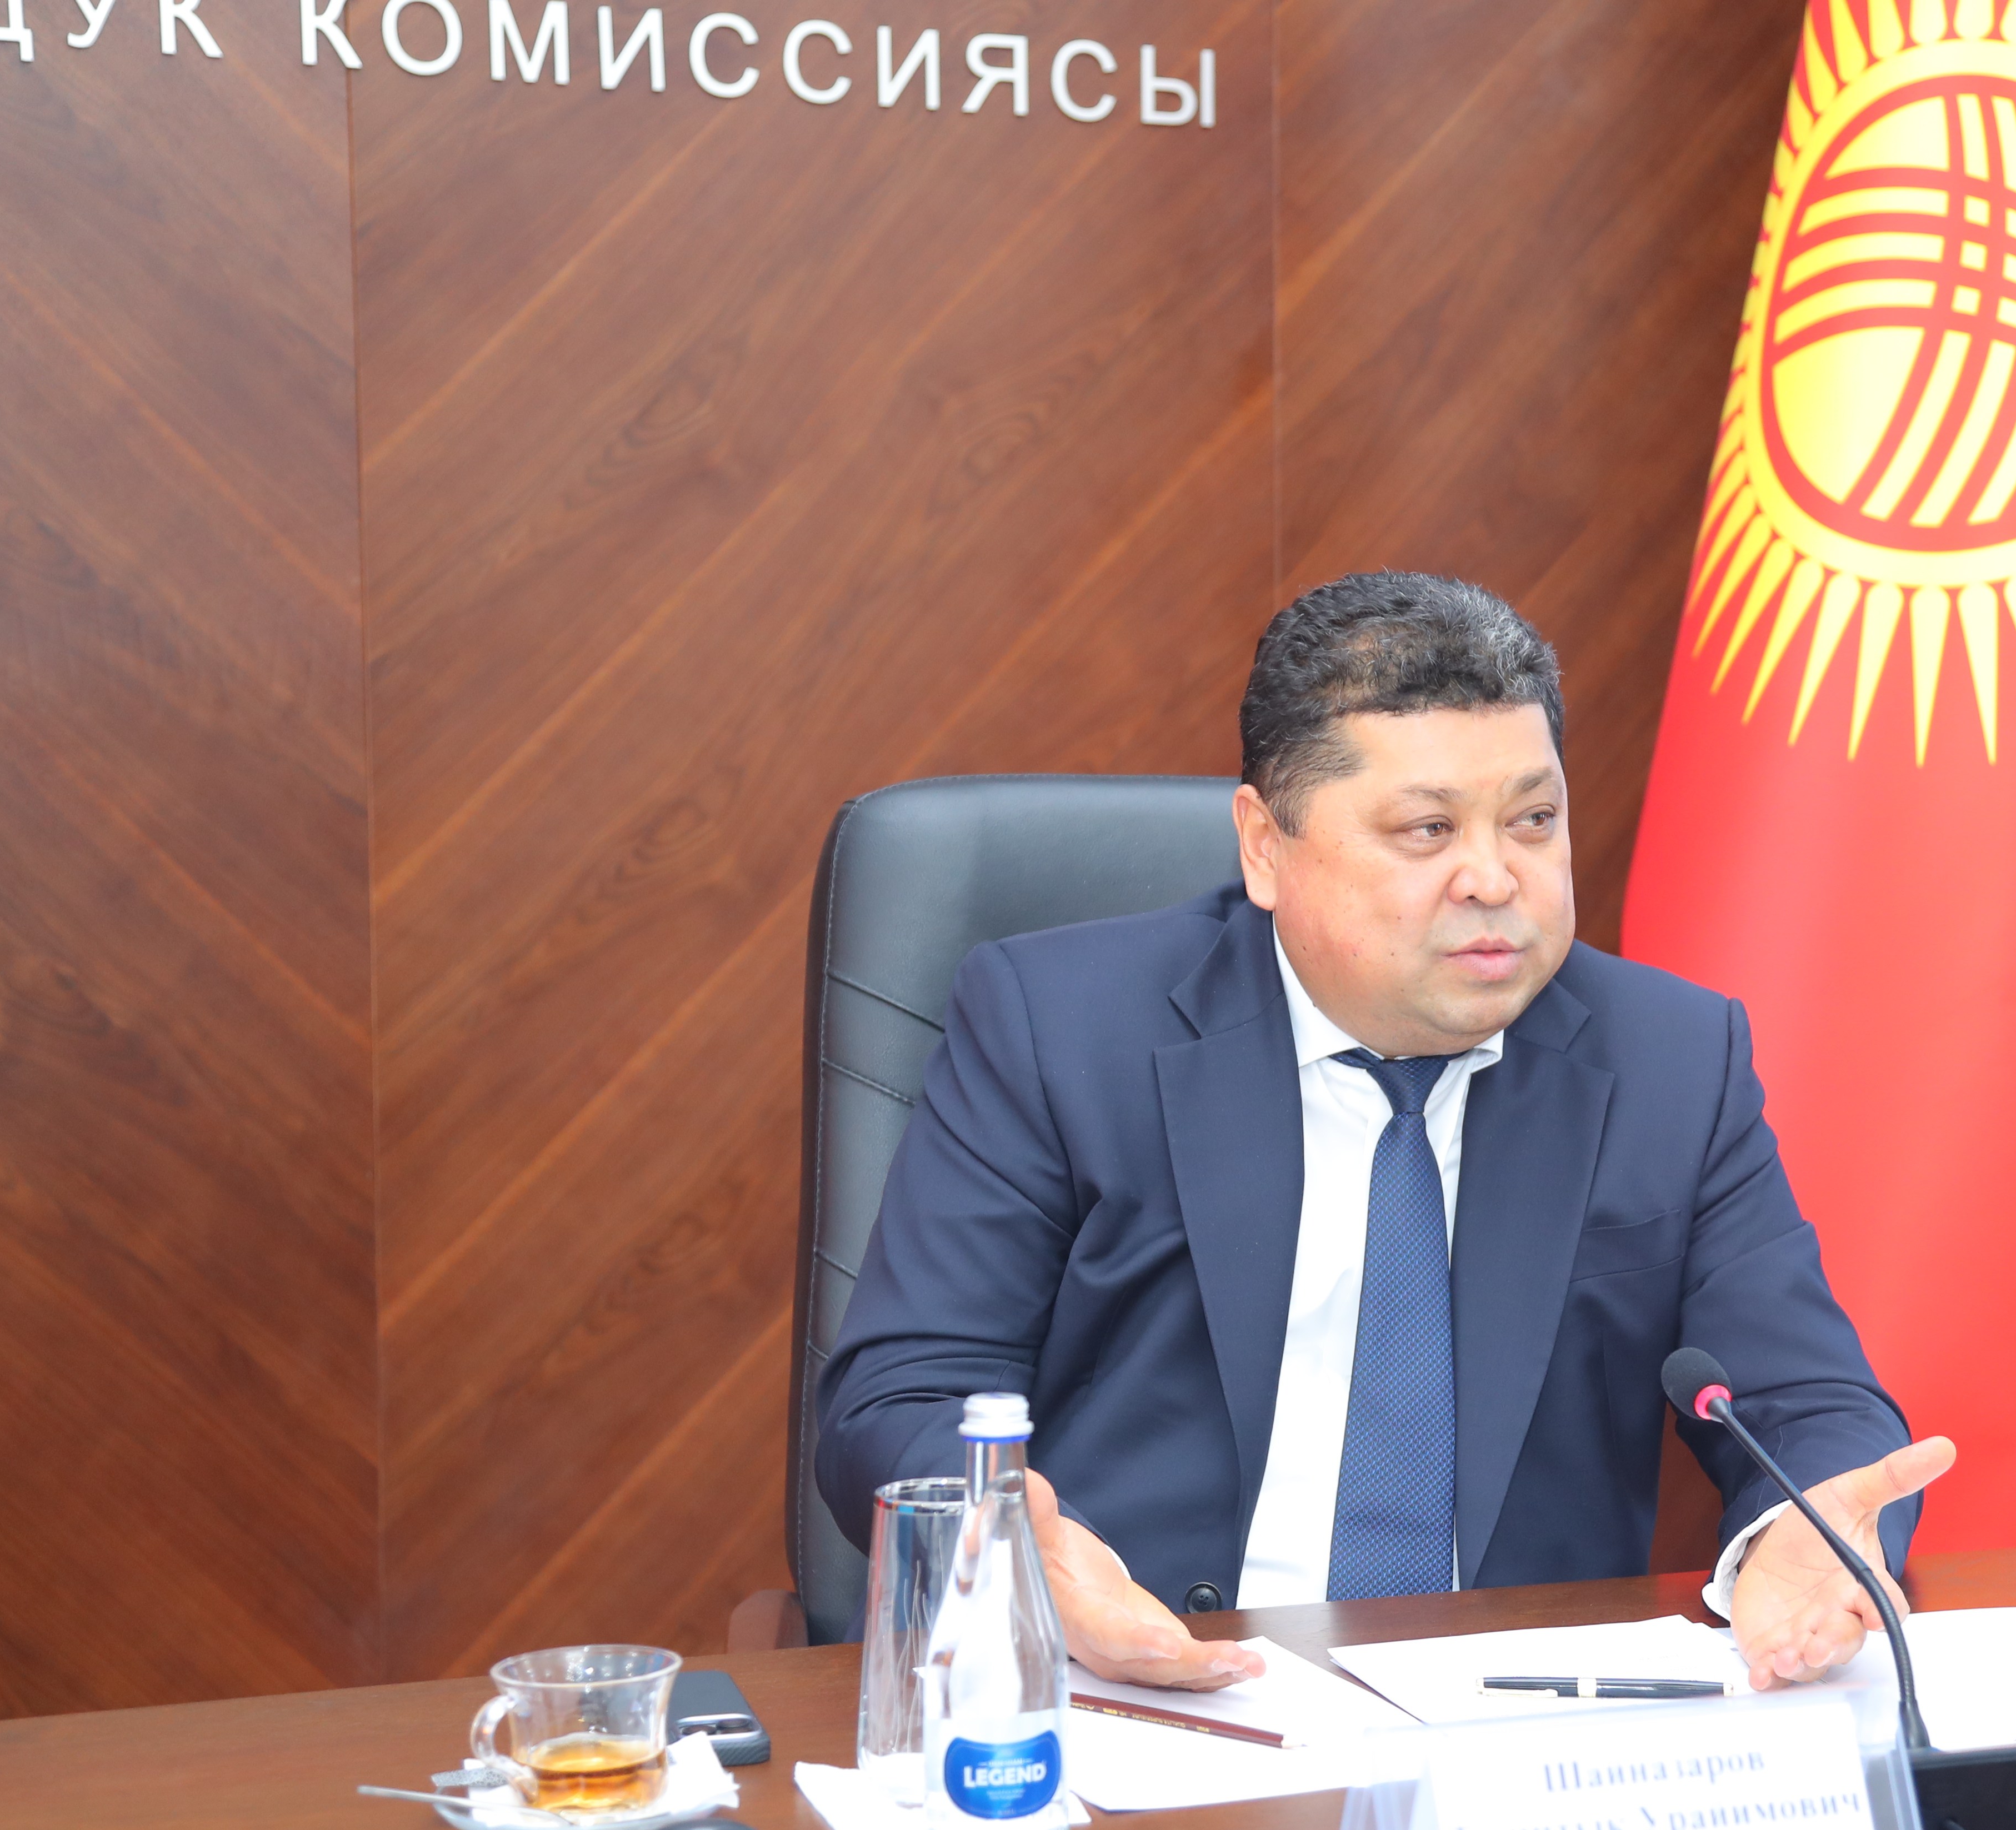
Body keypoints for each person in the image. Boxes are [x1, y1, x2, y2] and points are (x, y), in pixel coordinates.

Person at [816, 572, 1954, 1693]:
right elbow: (904, 1396)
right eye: (1427, 830)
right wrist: (1026, 1550)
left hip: (1517, 1725)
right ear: (1264, 847)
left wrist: (1803, 1534)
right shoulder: (1061, 1027)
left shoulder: (1668, 1061)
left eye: (1534, 820)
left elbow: (1806, 1404)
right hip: (1149, 1694)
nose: (1494, 878)